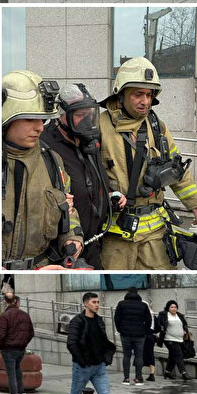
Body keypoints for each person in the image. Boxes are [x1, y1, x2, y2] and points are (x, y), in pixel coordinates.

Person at [98, 57, 197, 270]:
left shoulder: (157, 125)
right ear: (121, 94)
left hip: (155, 233)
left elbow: (176, 169)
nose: (145, 101)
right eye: (138, 94)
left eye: (149, 95)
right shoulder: (99, 126)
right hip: (116, 235)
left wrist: (195, 202)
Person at [1, 70, 84, 270]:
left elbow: (67, 209)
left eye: (43, 120)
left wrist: (72, 238)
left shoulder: (52, 162)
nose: (40, 128)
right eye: (31, 119)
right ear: (7, 118)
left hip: (42, 266)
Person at [42, 83, 125, 269]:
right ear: (61, 115)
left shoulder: (90, 142)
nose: (87, 120)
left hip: (94, 246)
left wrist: (110, 195)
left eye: (90, 114)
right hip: (63, 252)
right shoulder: (45, 144)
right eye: (80, 115)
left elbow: (95, 180)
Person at [59, 292, 136, 394]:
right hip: (82, 367)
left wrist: (106, 356)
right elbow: (71, 343)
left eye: (98, 302)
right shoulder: (77, 321)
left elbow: (103, 341)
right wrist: (82, 361)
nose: (97, 305)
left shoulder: (99, 320)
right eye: (94, 302)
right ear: (86, 304)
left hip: (99, 367)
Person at [0, 293, 34, 394]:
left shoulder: (5, 315)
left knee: (11, 375)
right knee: (17, 368)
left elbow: (1, 334)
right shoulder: (25, 315)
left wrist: (0, 346)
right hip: (20, 349)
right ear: (16, 301)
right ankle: (21, 392)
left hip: (8, 349)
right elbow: (31, 333)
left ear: (4, 301)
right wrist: (23, 343)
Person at [113, 287, 152, 386]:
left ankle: (126, 378)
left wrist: (120, 329)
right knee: (139, 356)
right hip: (140, 335)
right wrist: (145, 330)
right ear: (137, 293)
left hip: (125, 334)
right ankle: (138, 378)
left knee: (126, 355)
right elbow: (149, 320)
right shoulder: (143, 305)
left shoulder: (121, 304)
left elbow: (117, 318)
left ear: (127, 293)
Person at [157, 300, 191, 380]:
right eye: (172, 307)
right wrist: (160, 331)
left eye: (175, 307)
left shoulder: (179, 315)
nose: (174, 308)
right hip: (169, 338)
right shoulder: (164, 315)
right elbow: (159, 325)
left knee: (172, 356)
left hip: (179, 339)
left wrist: (185, 331)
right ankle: (183, 373)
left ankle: (167, 373)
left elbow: (184, 324)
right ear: (168, 308)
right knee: (179, 354)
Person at [144, 300, 159, 382]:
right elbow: (157, 327)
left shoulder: (143, 315)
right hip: (151, 336)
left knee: (139, 354)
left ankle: (138, 374)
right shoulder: (152, 314)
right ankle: (152, 374)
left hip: (143, 335)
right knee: (150, 354)